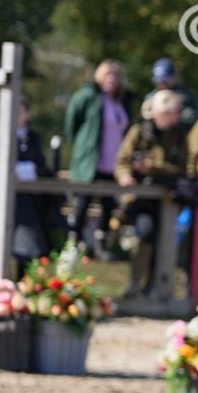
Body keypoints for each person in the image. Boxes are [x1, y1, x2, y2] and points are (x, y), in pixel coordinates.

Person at [115, 90, 189, 298]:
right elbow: (122, 161)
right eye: (169, 112)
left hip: (168, 201)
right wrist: (125, 176)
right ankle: (136, 285)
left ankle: (155, 289)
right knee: (145, 234)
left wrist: (154, 168)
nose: (173, 116)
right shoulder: (139, 132)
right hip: (140, 199)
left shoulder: (180, 136)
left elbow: (184, 169)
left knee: (164, 242)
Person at [64, 59, 135, 258]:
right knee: (83, 201)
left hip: (113, 161)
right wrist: (81, 146)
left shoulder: (122, 101)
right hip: (91, 159)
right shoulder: (88, 97)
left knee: (108, 203)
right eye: (107, 76)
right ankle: (74, 241)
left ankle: (101, 245)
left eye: (115, 76)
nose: (111, 80)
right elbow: (72, 125)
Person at [11, 99, 63, 276]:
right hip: (13, 199)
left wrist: (30, 169)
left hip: (32, 198)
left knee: (31, 243)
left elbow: (42, 166)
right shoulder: (0, 137)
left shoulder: (33, 138)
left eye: (20, 111)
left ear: (27, 115)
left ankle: (26, 281)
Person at [143, 57, 198, 130]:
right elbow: (144, 118)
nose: (163, 84)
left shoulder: (186, 96)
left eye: (166, 80)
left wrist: (173, 115)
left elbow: (191, 117)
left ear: (175, 77)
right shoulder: (151, 97)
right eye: (160, 81)